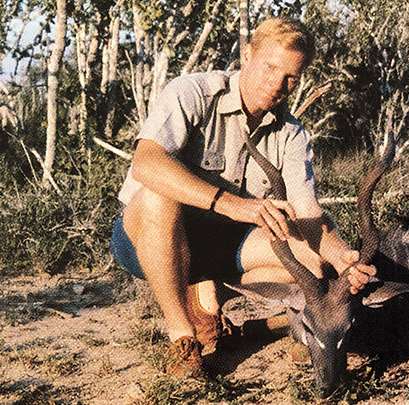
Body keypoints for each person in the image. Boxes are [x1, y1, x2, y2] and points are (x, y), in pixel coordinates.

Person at [110, 17, 376, 378]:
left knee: (314, 264)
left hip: (223, 248)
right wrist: (232, 205)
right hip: (148, 239)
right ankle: (183, 339)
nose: (278, 84)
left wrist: (343, 258)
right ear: (247, 54)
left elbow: (308, 213)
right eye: (270, 67)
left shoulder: (292, 133)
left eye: (291, 77)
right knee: (160, 197)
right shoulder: (192, 92)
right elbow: (146, 163)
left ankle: (216, 299)